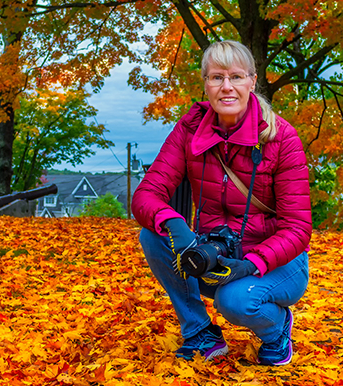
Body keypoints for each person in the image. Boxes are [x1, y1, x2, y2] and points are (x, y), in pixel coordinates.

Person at [132, 40, 312, 366]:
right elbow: (146, 194)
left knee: (237, 302)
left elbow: (298, 228)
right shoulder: (190, 130)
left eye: (236, 77)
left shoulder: (281, 138)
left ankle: (276, 329)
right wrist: (175, 226)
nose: (226, 87)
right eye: (216, 78)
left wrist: (255, 263)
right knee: (152, 234)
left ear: (252, 82)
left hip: (277, 262)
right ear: (206, 84)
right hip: (216, 253)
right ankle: (201, 332)